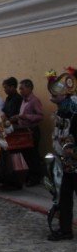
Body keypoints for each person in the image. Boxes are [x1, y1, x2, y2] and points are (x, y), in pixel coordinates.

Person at [46, 70, 77, 241]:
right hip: (67, 162)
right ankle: (66, 229)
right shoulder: (64, 112)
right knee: (64, 195)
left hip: (74, 159)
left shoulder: (73, 110)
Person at [10, 79, 44, 186]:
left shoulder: (34, 100)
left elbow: (40, 116)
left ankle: (36, 178)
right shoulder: (24, 100)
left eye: (22, 88)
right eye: (20, 89)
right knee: (26, 155)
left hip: (32, 131)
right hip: (24, 130)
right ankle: (29, 176)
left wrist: (24, 116)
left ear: (29, 88)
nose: (20, 91)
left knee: (33, 155)